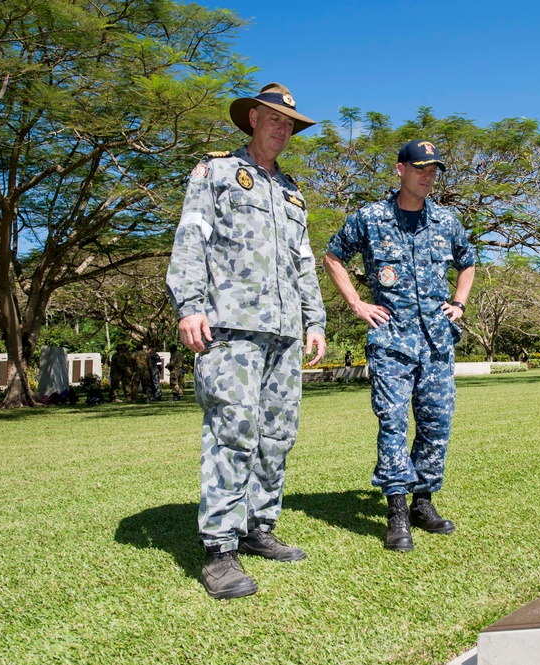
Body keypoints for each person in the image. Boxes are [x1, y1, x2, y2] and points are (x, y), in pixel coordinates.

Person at [166, 82, 326, 600]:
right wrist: (189, 306)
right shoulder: (214, 172)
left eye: (290, 124)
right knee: (232, 431)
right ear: (253, 118)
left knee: (277, 434)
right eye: (274, 119)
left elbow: (303, 261)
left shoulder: (290, 191)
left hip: (284, 331)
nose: (282, 129)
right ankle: (218, 549)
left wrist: (315, 320)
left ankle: (259, 527)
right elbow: (190, 238)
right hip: (231, 327)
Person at [324, 139, 475, 552]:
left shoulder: (446, 221)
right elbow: (333, 255)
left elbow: (468, 260)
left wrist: (458, 303)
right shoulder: (371, 218)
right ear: (400, 170)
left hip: (437, 342)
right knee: (393, 424)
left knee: (436, 426)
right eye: (421, 168)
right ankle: (397, 511)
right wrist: (357, 302)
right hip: (391, 340)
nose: (428, 176)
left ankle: (423, 501)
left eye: (434, 170)